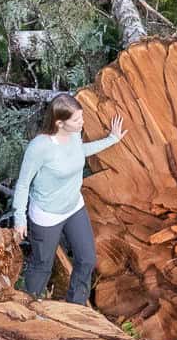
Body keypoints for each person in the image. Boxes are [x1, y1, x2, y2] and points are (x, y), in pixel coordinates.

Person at [11, 94, 126, 304]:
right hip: (47, 214)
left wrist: (112, 140)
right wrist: (20, 219)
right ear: (59, 123)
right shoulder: (40, 147)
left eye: (81, 117)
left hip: (74, 207)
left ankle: (76, 308)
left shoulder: (74, 135)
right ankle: (26, 307)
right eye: (77, 120)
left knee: (87, 259)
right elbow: (23, 184)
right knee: (42, 266)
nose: (82, 122)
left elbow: (79, 153)